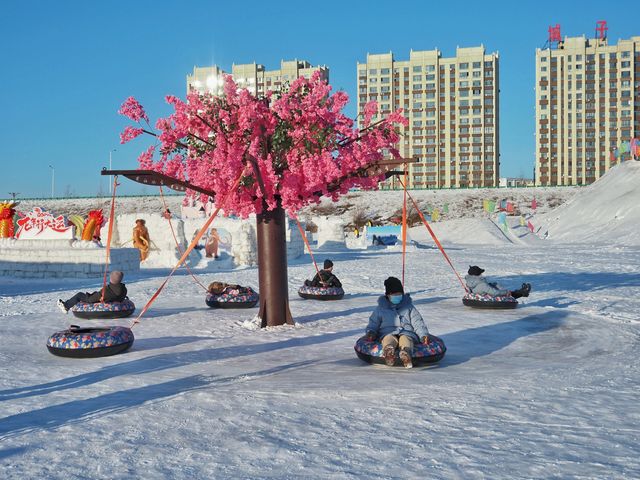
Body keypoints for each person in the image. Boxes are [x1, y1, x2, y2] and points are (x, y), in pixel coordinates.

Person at [365, 276, 429, 368]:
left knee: (406, 339)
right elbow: (374, 323)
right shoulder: (381, 309)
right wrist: (371, 332)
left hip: (407, 332)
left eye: (399, 294)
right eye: (394, 295)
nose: (397, 297)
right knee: (388, 338)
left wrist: (423, 335)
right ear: (388, 295)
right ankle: (388, 351)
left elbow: (418, 322)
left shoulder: (409, 307)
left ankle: (405, 353)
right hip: (387, 332)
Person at [57, 271, 127, 313]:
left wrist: (89, 296)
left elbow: (91, 299)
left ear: (111, 279)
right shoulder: (123, 288)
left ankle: (66, 306)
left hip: (100, 300)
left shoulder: (107, 290)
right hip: (112, 299)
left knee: (79, 295)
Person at [465, 266, 531, 298]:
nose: (481, 274)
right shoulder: (482, 284)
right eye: (480, 273)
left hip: (481, 293)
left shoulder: (469, 281)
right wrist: (506, 292)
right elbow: (495, 293)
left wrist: (491, 285)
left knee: (494, 285)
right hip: (490, 296)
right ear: (477, 275)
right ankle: (522, 293)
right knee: (507, 293)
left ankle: (520, 292)